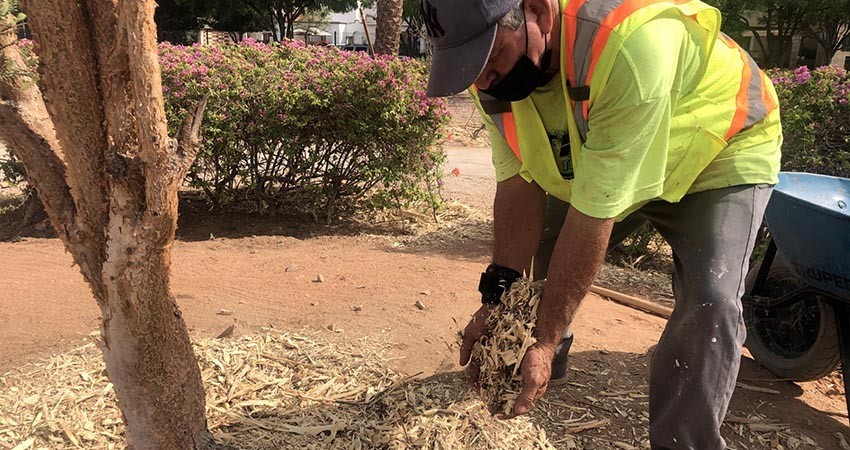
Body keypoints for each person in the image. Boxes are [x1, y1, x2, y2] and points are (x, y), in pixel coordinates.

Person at [420, 0, 782, 448]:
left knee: (710, 300)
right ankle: (527, 373)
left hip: (715, 150)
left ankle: (682, 441)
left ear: (538, 12)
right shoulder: (488, 73)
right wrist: (497, 300)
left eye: (491, 58)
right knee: (545, 252)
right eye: (470, 65)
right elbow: (518, 186)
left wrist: (546, 337)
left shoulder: (628, 44)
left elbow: (594, 214)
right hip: (616, 151)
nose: (483, 80)